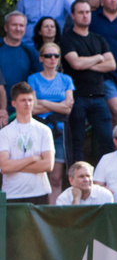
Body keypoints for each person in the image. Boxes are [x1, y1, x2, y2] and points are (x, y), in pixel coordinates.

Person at [60, 0, 115, 162]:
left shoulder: (98, 39)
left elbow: (111, 64)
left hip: (99, 97)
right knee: (76, 143)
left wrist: (86, 64)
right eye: (81, 12)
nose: (85, 16)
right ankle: (76, 181)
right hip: (77, 98)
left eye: (87, 12)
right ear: (73, 16)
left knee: (107, 140)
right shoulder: (67, 39)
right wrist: (98, 58)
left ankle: (104, 178)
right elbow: (75, 64)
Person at [28, 44, 74, 202]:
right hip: (40, 130)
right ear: (41, 58)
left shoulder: (66, 79)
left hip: (59, 131)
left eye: (56, 55)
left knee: (56, 177)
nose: (52, 59)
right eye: (48, 55)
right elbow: (32, 108)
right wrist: (58, 105)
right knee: (40, 175)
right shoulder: (33, 78)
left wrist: (43, 102)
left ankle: (54, 211)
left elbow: (68, 109)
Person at [0, 83, 54, 204]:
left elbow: (48, 165)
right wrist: (33, 158)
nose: (28, 104)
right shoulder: (4, 133)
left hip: (39, 192)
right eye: (23, 100)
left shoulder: (44, 130)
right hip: (13, 193)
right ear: (14, 103)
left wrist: (15, 166)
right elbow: (4, 167)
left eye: (30, 100)